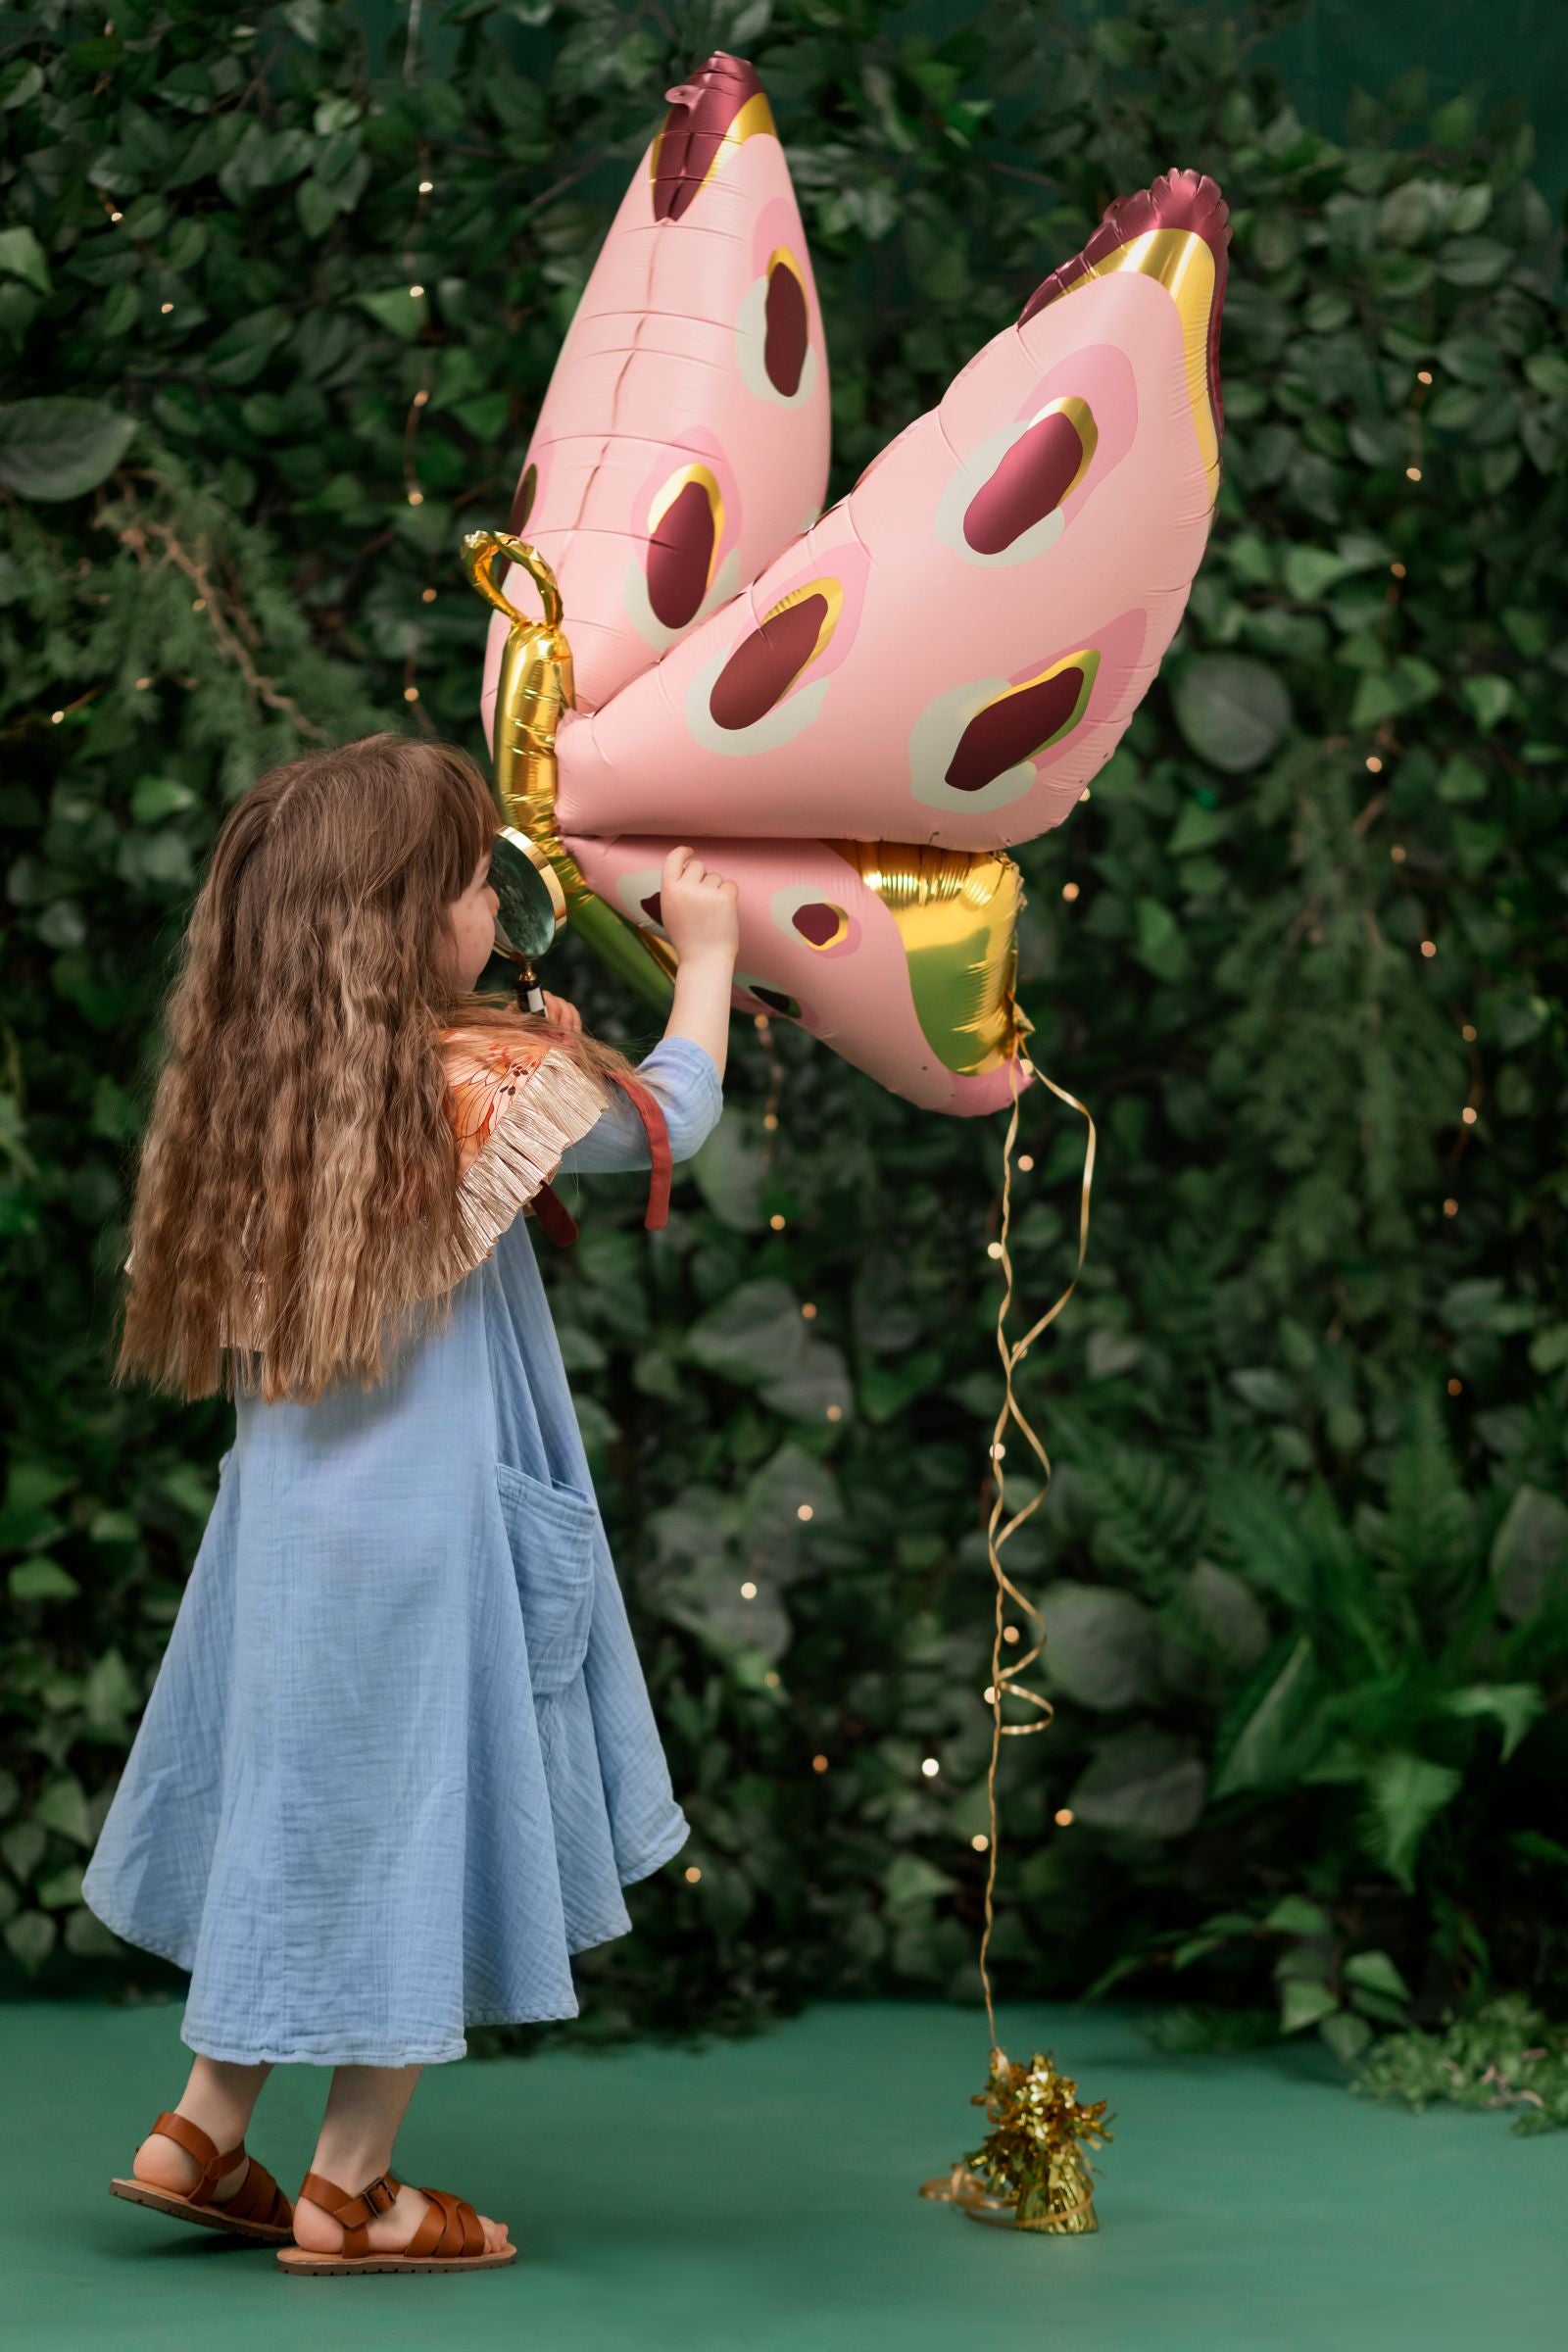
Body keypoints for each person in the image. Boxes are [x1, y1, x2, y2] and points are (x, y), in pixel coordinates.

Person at [81, 733, 738, 2278]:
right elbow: (666, 1123)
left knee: (293, 1811)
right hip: (439, 1554)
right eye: (466, 886)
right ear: (401, 923)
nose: (489, 910)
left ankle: (199, 2127)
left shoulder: (257, 1105)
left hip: (290, 1552)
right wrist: (701, 965)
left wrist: (530, 1035)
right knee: (417, 1832)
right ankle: (353, 2188)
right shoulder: (483, 1077)